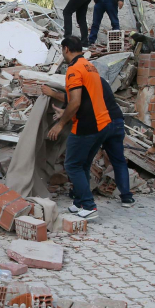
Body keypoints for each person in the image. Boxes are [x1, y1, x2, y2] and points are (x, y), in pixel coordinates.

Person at [41, 73, 135, 208]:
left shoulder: (87, 83)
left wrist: (53, 94)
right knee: (118, 160)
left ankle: (83, 199)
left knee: (81, 163)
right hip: (116, 121)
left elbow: (75, 101)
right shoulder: (100, 81)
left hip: (101, 124)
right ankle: (126, 197)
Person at [45, 38, 112, 220]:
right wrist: (64, 111)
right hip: (102, 122)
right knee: (83, 164)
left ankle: (89, 206)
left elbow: (75, 102)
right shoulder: (89, 65)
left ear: (66, 49)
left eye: (62, 51)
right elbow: (84, 98)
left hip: (87, 124)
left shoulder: (74, 69)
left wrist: (60, 124)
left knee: (72, 165)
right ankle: (80, 202)